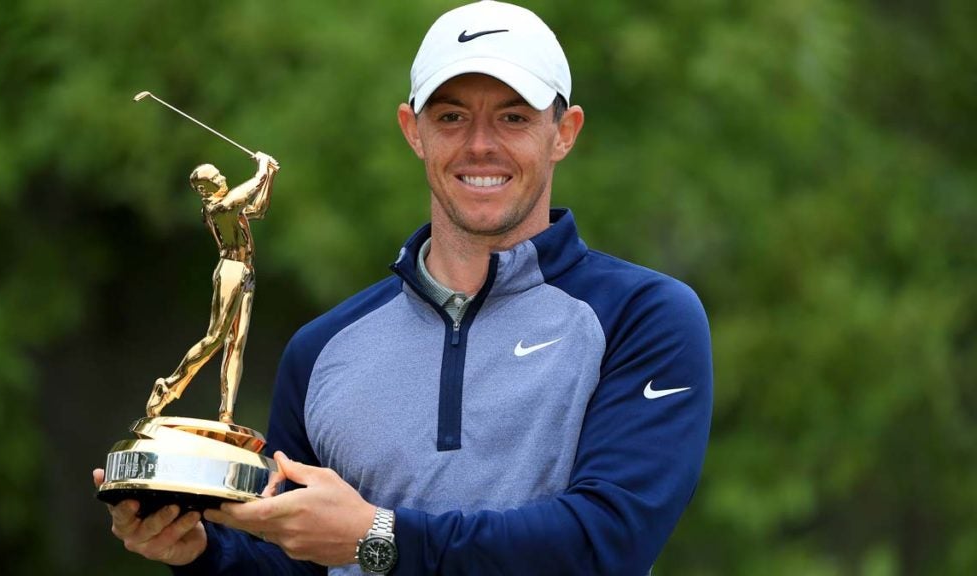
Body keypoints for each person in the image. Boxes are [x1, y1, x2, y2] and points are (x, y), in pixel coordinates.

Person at [94, 2, 712, 574]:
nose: (480, 145)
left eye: (514, 117)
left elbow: (608, 541)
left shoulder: (643, 316)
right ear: (412, 130)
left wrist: (378, 536)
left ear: (565, 131)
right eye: (450, 117)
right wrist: (200, 554)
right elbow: (297, 561)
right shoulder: (322, 348)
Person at [145, 151, 279, 423]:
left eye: (219, 174)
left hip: (246, 271)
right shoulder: (217, 208)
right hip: (230, 270)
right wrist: (262, 170)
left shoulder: (228, 206)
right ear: (204, 189)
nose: (223, 177)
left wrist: (271, 177)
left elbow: (258, 209)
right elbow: (244, 194)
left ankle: (226, 412)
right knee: (216, 338)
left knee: (236, 344)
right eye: (215, 177)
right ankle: (169, 386)